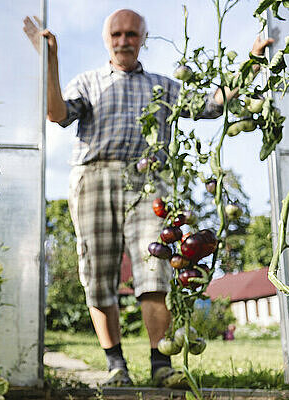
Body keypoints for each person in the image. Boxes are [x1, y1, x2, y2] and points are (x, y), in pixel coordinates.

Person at [23, 9, 272, 386]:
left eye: (132, 34)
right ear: (107, 39)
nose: (124, 41)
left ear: (144, 38)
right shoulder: (88, 82)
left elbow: (210, 104)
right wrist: (50, 59)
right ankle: (116, 367)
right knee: (97, 274)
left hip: (149, 181)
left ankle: (161, 366)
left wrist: (251, 63)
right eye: (117, 34)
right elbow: (56, 113)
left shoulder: (164, 86)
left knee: (157, 270)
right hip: (94, 177)